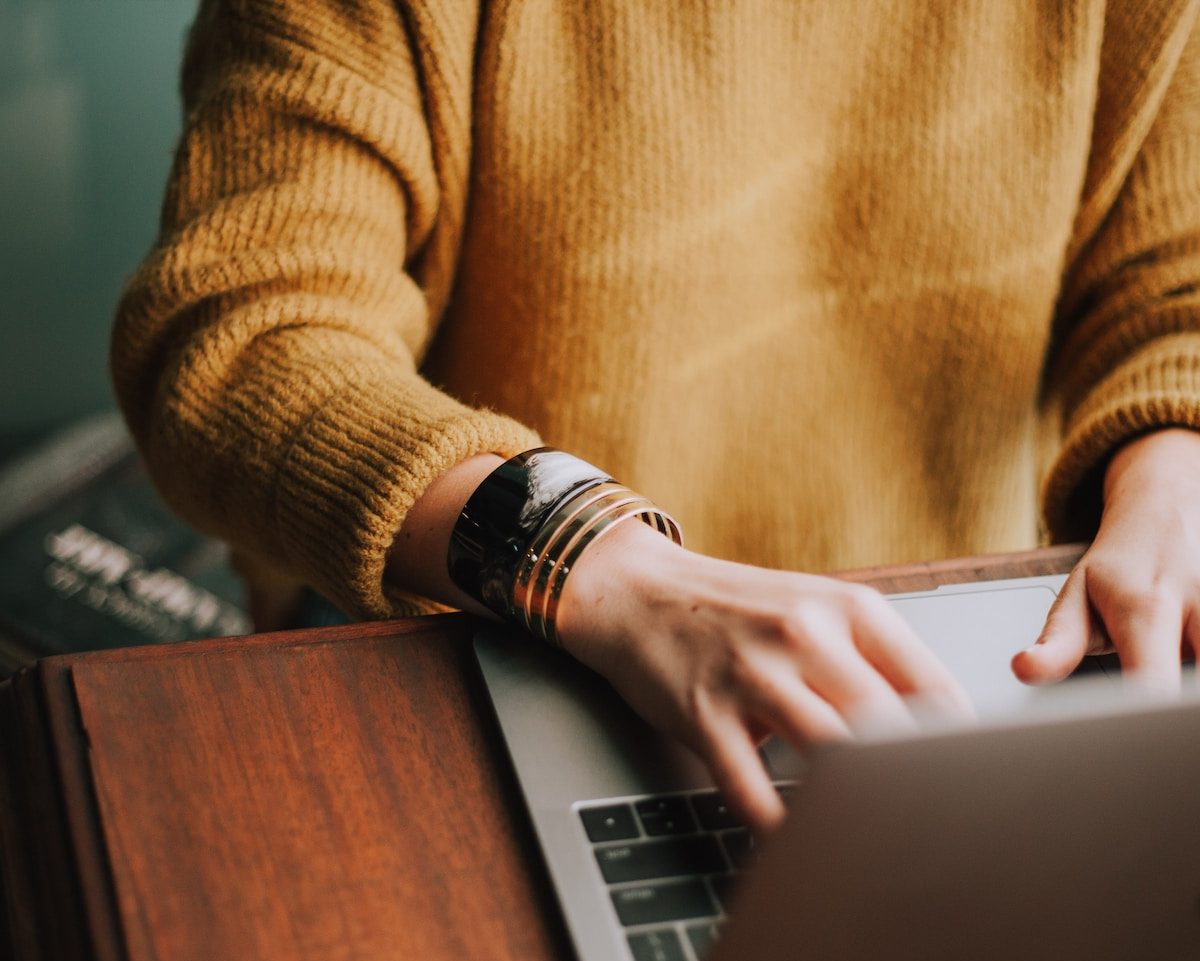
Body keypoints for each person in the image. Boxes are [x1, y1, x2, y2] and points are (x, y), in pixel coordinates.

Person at [111, 0, 1200, 830]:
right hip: (494, 654)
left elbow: (1176, 287)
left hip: (970, 675)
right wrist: (602, 565)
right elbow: (240, 338)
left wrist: (1174, 473)